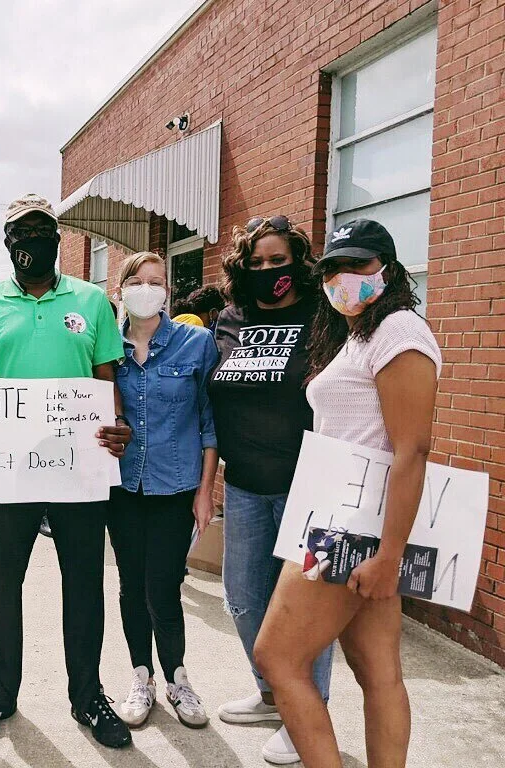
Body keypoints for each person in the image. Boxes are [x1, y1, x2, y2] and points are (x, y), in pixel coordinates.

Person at [0, 194, 133, 749]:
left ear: (56, 237)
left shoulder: (93, 302)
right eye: (20, 233)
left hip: (78, 468)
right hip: (6, 473)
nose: (32, 241)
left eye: (42, 231)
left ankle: (88, 695)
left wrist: (116, 423)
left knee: (83, 584)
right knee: (3, 582)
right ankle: (0, 693)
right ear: (7, 243)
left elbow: (104, 381)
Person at [254, 219, 440, 767]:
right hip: (343, 513)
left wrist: (389, 555)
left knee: (278, 658)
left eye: (359, 265)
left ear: (388, 268)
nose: (343, 278)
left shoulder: (400, 330)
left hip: (352, 524)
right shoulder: (359, 331)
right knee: (378, 672)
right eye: (333, 268)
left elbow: (413, 451)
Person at [207, 214, 331, 765]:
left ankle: (310, 710)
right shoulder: (231, 319)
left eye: (278, 261)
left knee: (306, 606)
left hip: (310, 484)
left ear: (298, 263)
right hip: (247, 486)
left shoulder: (323, 314)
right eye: (256, 263)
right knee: (242, 597)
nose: (267, 271)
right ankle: (273, 692)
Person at [109, 252, 219, 730]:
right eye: (138, 280)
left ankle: (177, 677)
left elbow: (210, 423)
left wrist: (206, 491)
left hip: (176, 487)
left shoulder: (196, 343)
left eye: (158, 282)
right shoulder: (106, 349)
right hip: (122, 488)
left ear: (168, 293)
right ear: (122, 288)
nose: (148, 288)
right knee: (131, 586)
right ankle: (141, 676)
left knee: (163, 587)